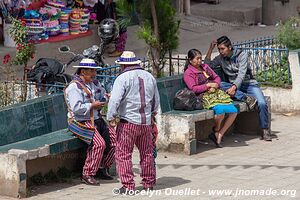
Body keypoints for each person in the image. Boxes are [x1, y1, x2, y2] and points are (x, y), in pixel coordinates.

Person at [107, 51, 160, 194]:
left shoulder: (122, 78)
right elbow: (156, 101)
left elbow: (115, 100)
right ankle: (149, 183)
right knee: (147, 153)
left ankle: (128, 185)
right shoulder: (150, 77)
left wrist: (110, 116)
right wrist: (152, 115)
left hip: (127, 123)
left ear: (123, 65)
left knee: (123, 154)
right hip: (145, 123)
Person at [205, 36, 272, 141]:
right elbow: (207, 66)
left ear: (230, 47)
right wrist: (210, 49)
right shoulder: (220, 58)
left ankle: (265, 129)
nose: (221, 52)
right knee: (219, 84)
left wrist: (234, 87)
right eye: (219, 49)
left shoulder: (242, 55)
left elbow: (241, 74)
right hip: (233, 87)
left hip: (249, 84)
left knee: (262, 103)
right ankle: (246, 98)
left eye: (223, 49)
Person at [65, 58, 116, 185]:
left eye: (95, 71)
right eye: (92, 71)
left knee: (115, 141)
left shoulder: (95, 83)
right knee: (99, 144)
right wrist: (92, 106)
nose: (94, 73)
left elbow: (103, 95)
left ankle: (102, 167)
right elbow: (76, 108)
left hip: (97, 119)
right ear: (83, 71)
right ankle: (87, 173)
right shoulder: (74, 87)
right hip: (80, 122)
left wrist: (104, 100)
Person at [184, 49, 238, 147]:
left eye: (201, 58)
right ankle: (216, 130)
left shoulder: (205, 67)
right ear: (190, 60)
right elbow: (193, 88)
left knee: (233, 111)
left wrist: (215, 85)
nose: (200, 61)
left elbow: (217, 78)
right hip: (203, 96)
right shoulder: (189, 73)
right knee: (220, 112)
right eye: (197, 59)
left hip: (216, 93)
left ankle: (220, 133)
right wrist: (208, 86)